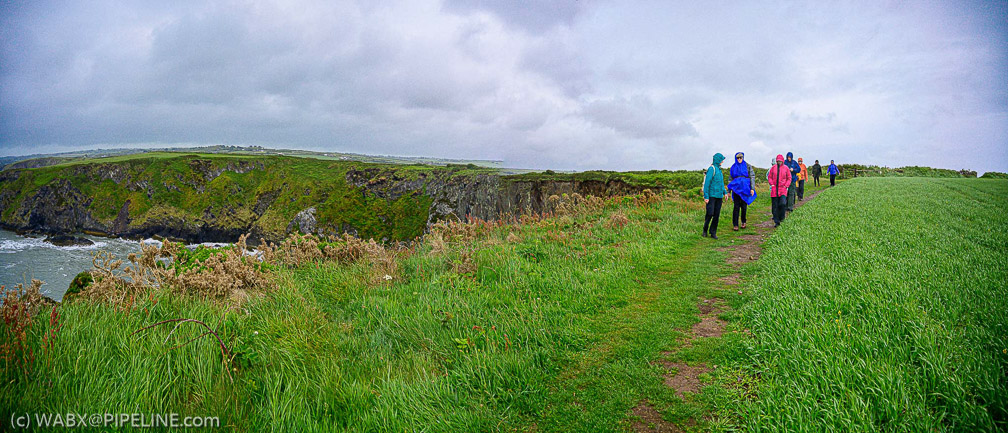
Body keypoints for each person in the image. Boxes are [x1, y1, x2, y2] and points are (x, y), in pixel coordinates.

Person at [702, 153, 729, 239]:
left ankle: (713, 232)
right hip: (711, 196)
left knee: (716, 215)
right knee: (710, 213)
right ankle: (705, 230)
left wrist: (725, 193)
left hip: (719, 196)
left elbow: (721, 184)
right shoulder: (711, 169)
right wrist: (706, 196)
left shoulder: (719, 170)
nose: (723, 161)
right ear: (718, 160)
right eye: (721, 159)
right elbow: (707, 183)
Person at [727, 152, 756, 231]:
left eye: (741, 157)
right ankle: (735, 224)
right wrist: (729, 191)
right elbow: (730, 179)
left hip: (745, 188)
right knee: (736, 207)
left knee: (744, 206)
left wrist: (752, 188)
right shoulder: (733, 167)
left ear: (743, 158)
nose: (739, 159)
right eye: (738, 158)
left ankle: (743, 221)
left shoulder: (747, 166)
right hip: (736, 189)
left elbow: (752, 177)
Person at [767, 154, 791, 227]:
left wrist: (786, 185)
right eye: (778, 161)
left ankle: (782, 218)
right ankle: (777, 221)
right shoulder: (773, 168)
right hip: (774, 190)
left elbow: (789, 178)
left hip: (783, 189)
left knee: (783, 204)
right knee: (775, 206)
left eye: (780, 161)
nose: (779, 162)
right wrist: (772, 184)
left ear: (782, 161)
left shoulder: (786, 168)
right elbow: (769, 177)